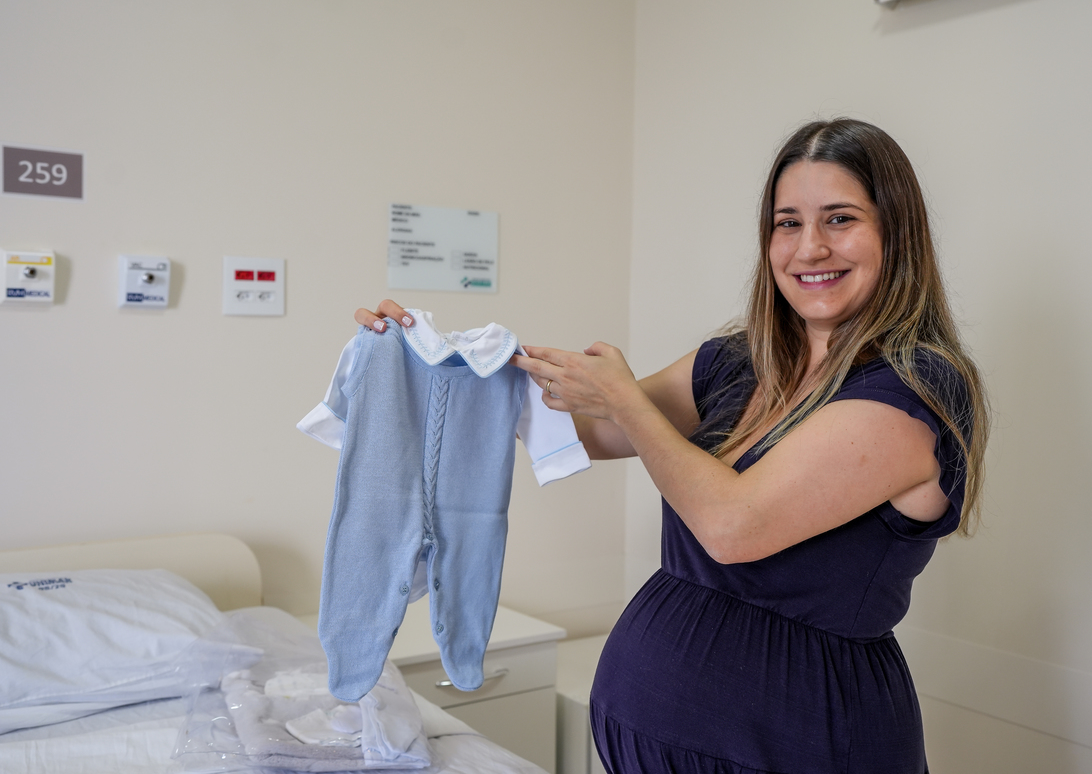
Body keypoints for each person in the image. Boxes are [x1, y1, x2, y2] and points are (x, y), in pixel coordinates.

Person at [355, 118, 989, 774]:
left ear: (896, 232)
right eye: (788, 223)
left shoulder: (915, 388)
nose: (810, 248)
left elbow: (732, 525)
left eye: (840, 219)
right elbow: (590, 429)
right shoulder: (741, 361)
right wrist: (439, 366)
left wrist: (625, 399)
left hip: (804, 744)